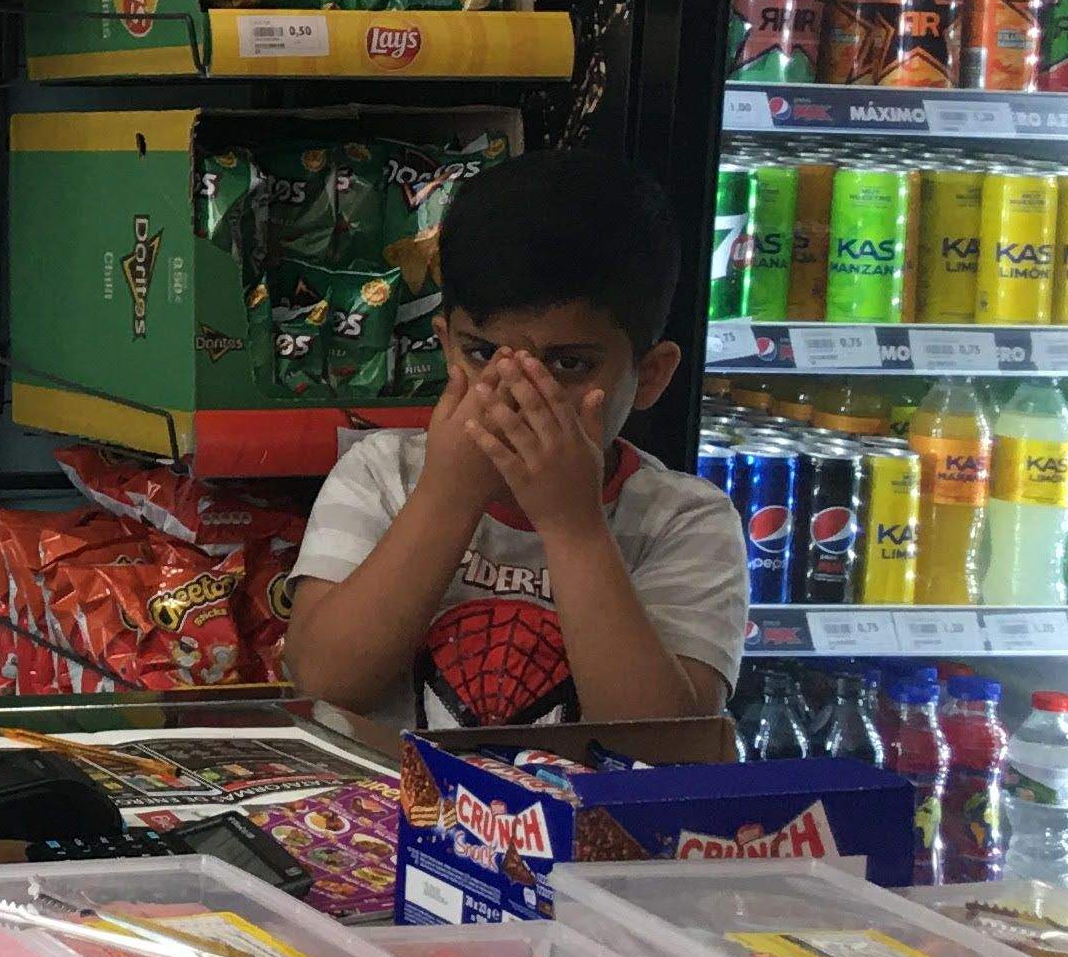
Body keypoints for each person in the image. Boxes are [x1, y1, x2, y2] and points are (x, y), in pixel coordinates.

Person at [283, 148, 744, 729]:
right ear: (447, 346)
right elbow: (326, 683)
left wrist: (573, 527)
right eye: (482, 355)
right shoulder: (382, 474)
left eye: (569, 366)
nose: (518, 394)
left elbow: (661, 745)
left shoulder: (685, 520)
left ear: (650, 375)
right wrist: (447, 498)